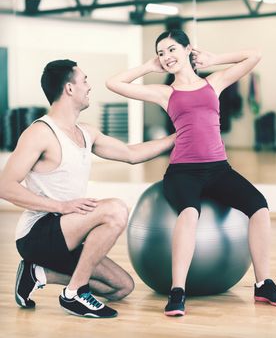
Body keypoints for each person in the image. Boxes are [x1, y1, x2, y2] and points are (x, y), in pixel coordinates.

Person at [105, 29, 276, 316]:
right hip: (183, 172)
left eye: (171, 50)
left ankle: (263, 284)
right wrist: (147, 67)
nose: (166, 57)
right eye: (161, 53)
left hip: (219, 169)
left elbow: (255, 54)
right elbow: (113, 83)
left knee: (260, 207)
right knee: (190, 213)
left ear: (187, 49)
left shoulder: (214, 82)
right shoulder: (165, 92)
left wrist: (216, 58)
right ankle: (177, 290)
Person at [0, 59, 175, 318]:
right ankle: (74, 294)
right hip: (38, 235)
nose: (89, 86)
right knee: (115, 209)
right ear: (69, 88)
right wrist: (60, 206)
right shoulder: (40, 132)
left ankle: (37, 273)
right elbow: (5, 186)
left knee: (120, 287)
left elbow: (130, 153)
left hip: (68, 233)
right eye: (84, 80)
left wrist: (179, 136)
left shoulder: (86, 132)